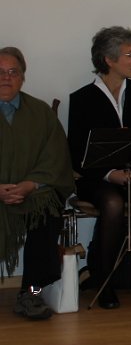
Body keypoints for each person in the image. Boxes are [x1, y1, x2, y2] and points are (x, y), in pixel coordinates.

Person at [67, 26, 131, 308]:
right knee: (110, 203)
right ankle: (104, 281)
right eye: (130, 54)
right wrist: (114, 175)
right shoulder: (82, 99)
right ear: (109, 60)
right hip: (99, 179)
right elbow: (77, 153)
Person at [0, 47, 75, 321]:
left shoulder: (41, 113)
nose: (6, 78)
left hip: (31, 193)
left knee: (49, 211)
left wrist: (31, 184)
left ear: (22, 78)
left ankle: (31, 292)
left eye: (13, 72)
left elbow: (55, 157)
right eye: (0, 72)